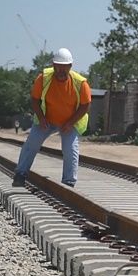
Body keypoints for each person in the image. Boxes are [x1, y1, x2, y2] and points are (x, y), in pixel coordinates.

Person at [12, 48, 91, 188]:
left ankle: (69, 183)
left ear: (70, 67)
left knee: (70, 149)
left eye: (64, 68)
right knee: (32, 143)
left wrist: (70, 123)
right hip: (46, 120)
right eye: (58, 67)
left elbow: (85, 105)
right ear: (53, 66)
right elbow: (35, 99)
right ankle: (20, 175)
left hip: (69, 122)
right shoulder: (43, 78)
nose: (60, 71)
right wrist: (41, 118)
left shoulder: (80, 83)